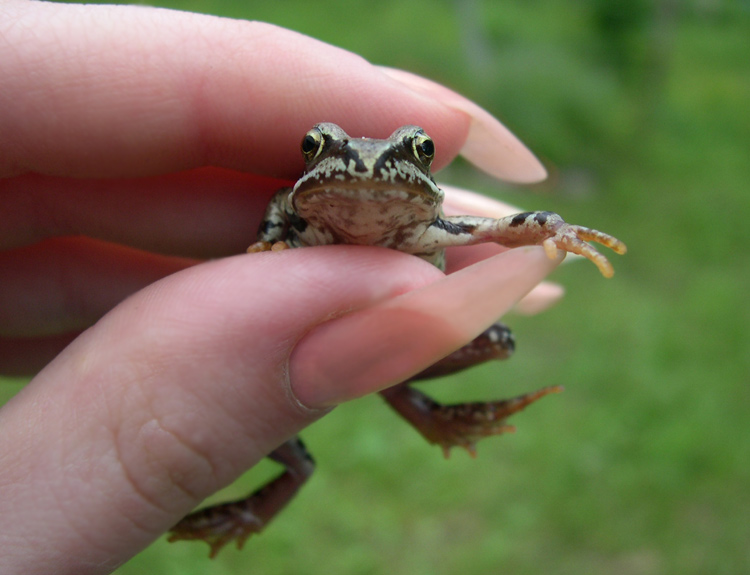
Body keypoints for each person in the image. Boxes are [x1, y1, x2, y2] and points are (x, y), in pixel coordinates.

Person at [0, 1, 560, 572]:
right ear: (310, 169)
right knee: (299, 451)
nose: (365, 170)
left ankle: (425, 411)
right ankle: (269, 500)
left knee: (498, 340)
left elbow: (503, 228)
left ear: (424, 171)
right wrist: (272, 237)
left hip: (411, 331)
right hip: (336, 321)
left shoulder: (422, 225)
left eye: (417, 152)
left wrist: (558, 229)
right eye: (320, 149)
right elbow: (280, 201)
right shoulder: (302, 225)